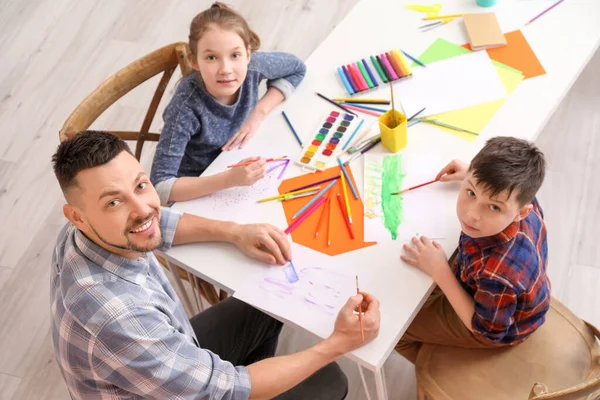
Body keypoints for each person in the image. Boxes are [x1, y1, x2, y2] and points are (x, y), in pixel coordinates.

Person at [51, 131, 380, 399]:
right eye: (114, 202)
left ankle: (262, 366)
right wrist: (340, 343)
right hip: (165, 383)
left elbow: (155, 221)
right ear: (76, 216)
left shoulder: (90, 228)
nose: (142, 208)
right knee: (327, 384)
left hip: (164, 359)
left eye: (140, 185)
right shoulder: (120, 319)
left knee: (264, 305)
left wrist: (234, 231)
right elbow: (230, 388)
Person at [395, 136, 551, 363]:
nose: (472, 215)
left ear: (521, 213)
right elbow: (499, 191)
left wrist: (440, 272)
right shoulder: (517, 196)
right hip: (497, 291)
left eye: (494, 207)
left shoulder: (498, 274)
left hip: (498, 325)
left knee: (398, 330)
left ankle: (439, 371)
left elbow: (487, 329)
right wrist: (474, 174)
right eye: (471, 193)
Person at [150, 2, 306, 204]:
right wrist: (230, 179)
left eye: (235, 55)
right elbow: (161, 186)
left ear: (248, 55)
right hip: (198, 186)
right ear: (194, 61)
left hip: (236, 160)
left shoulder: (253, 66)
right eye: (212, 57)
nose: (226, 69)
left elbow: (297, 68)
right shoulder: (185, 107)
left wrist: (258, 112)